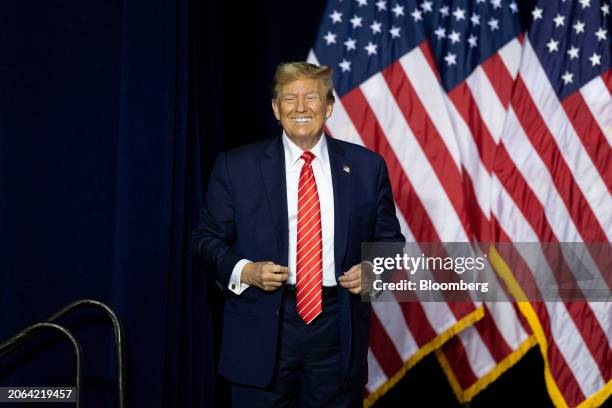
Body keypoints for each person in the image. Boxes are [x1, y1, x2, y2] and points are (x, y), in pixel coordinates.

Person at [192, 61, 404, 407]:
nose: (301, 108)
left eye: (312, 98)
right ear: (276, 109)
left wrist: (373, 271)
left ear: (329, 106)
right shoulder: (236, 167)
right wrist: (245, 270)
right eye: (290, 99)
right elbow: (205, 239)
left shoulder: (367, 167)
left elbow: (390, 241)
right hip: (262, 326)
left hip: (337, 328)